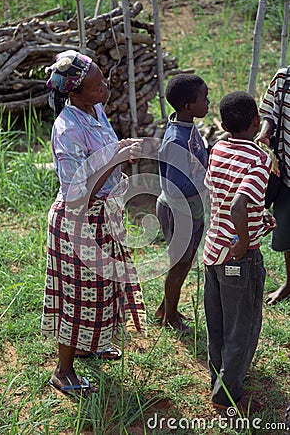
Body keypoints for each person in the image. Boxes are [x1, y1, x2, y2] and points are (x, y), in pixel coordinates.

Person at [41, 50, 146, 396]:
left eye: (102, 81)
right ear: (74, 93)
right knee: (78, 298)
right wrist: (116, 157)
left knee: (103, 291)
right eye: (96, 86)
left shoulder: (96, 110)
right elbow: (77, 193)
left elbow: (105, 156)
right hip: (77, 223)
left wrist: (122, 150)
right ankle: (63, 370)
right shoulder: (67, 129)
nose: (104, 88)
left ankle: (92, 344)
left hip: (103, 218)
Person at [203, 91, 276, 414]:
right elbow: (238, 203)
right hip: (239, 257)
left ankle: (218, 378)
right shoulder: (259, 159)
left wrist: (261, 218)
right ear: (257, 122)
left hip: (213, 250)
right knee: (242, 328)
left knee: (217, 322)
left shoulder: (218, 148)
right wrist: (245, 241)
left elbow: (223, 195)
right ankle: (228, 396)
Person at [155, 74, 209, 332]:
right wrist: (207, 177)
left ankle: (166, 307)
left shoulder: (186, 126)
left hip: (191, 209)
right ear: (189, 106)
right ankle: (171, 317)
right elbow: (176, 187)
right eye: (204, 99)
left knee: (185, 261)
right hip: (179, 211)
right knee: (179, 264)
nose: (208, 103)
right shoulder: (176, 139)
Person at [258, 66, 290, 305]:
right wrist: (265, 133)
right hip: (286, 172)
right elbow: (270, 110)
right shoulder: (284, 77)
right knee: (286, 231)